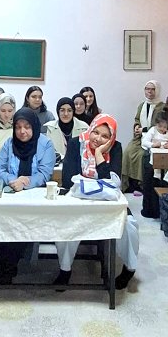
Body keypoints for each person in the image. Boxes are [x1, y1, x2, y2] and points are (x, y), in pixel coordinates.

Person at [55, 115, 139, 289]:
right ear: (90, 129)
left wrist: (100, 155)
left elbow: (115, 183)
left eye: (105, 136)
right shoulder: (76, 144)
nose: (98, 139)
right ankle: (65, 269)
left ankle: (129, 268)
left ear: (111, 138)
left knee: (129, 225)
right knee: (65, 224)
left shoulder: (116, 148)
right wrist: (101, 186)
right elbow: (69, 179)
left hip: (107, 202)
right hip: (79, 199)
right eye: (96, 132)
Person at [0, 108, 55, 284]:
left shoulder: (45, 144)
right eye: (18, 127)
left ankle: (7, 269)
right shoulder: (10, 144)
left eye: (27, 127)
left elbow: (44, 174)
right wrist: (13, 180)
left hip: (34, 198)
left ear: (34, 126)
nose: (22, 131)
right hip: (10, 194)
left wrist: (25, 182)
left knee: (19, 225)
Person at [121, 80, 163, 193]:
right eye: (147, 89)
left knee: (141, 155)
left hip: (154, 139)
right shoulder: (142, 105)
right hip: (140, 138)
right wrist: (136, 126)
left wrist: (144, 130)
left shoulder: (161, 107)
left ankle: (141, 185)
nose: (149, 92)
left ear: (157, 90)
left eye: (152, 89)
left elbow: (160, 124)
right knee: (128, 152)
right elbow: (137, 119)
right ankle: (130, 184)